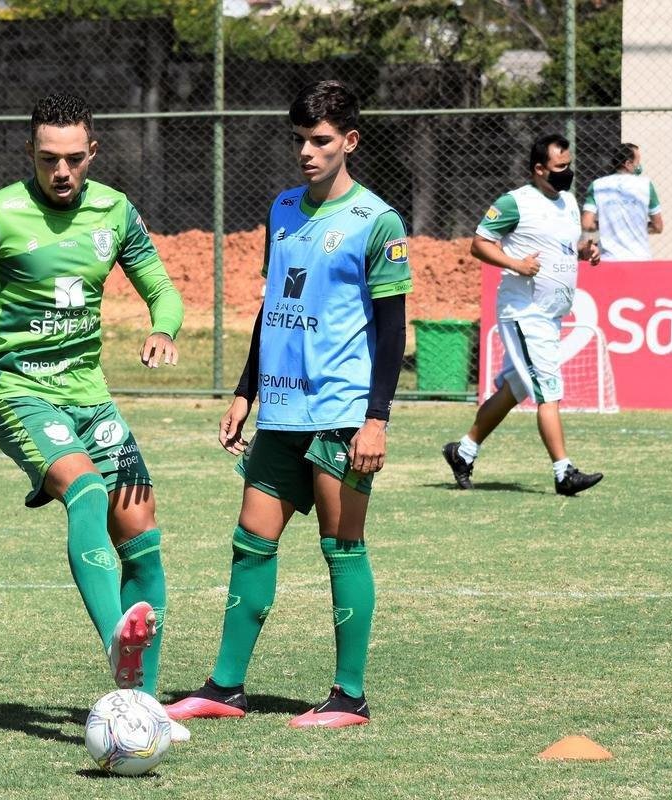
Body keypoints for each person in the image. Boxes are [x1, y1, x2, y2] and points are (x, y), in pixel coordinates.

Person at [0, 92, 188, 736]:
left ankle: (144, 707)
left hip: (89, 394)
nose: (63, 171)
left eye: (74, 158)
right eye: (50, 159)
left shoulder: (116, 212)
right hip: (16, 388)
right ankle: (115, 644)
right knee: (87, 492)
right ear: (31, 155)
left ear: (92, 153)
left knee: (144, 535)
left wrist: (163, 327)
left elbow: (160, 287)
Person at [165, 80, 410, 729]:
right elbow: (276, 304)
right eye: (299, 140)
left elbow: (391, 330)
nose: (307, 151)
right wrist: (245, 391)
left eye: (320, 140)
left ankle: (348, 696)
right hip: (278, 410)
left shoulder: (376, 221)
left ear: (349, 142)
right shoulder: (280, 208)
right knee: (250, 544)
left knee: (342, 547)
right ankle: (224, 687)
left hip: (340, 413)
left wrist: (375, 418)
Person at [442, 134, 604, 496]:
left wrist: (585, 251)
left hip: (551, 314)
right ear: (539, 168)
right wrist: (516, 263)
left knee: (517, 388)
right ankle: (564, 473)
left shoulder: (569, 202)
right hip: (524, 311)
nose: (568, 173)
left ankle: (463, 451)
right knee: (548, 388)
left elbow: (563, 246)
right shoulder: (514, 202)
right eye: (560, 167)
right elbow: (479, 243)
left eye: (569, 165)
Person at [581, 142, 663, 261]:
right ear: (628, 164)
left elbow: (587, 224)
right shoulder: (646, 185)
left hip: (608, 259)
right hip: (640, 258)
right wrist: (635, 225)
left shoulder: (597, 185)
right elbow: (658, 227)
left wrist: (607, 225)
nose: (639, 166)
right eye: (637, 162)